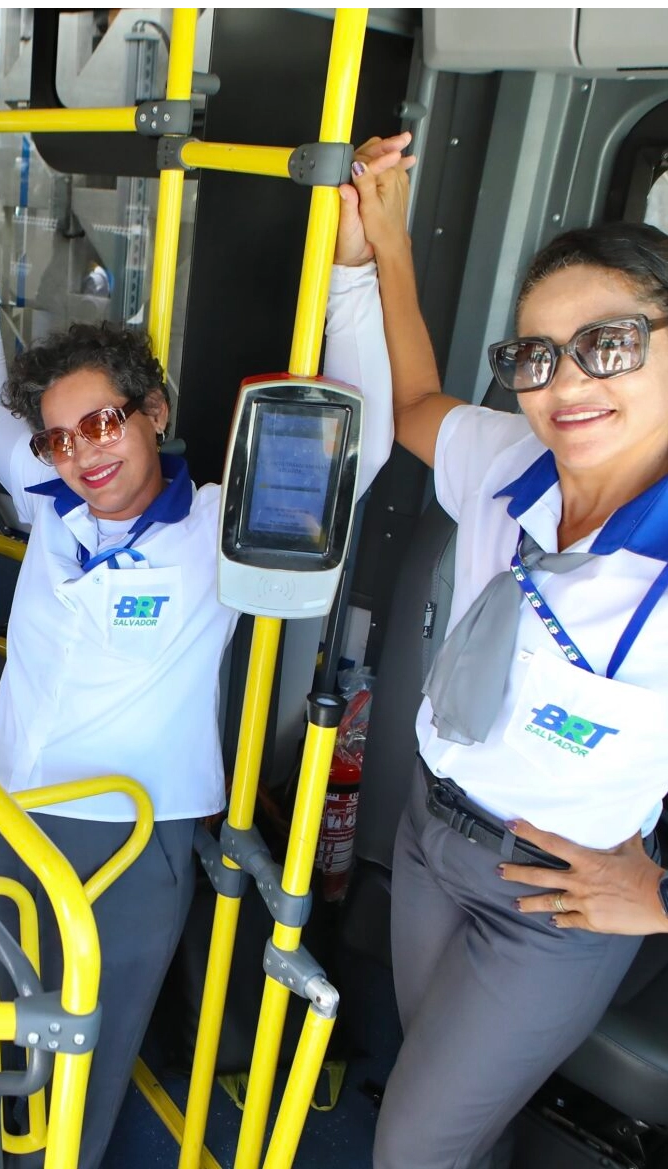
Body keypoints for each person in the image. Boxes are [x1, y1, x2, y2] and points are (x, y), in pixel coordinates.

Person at [0, 151, 398, 1169]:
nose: (81, 451)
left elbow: (355, 443)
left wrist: (357, 270)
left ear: (150, 412)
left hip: (126, 832)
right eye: (58, 437)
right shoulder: (52, 498)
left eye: (101, 421)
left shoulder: (212, 526)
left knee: (84, 1045)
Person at [348, 134, 668, 1169]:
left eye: (606, 342)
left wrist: (659, 895)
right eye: (535, 355)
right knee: (445, 1120)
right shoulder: (505, 461)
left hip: (550, 903)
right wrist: (386, 242)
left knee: (408, 1145)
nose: (562, 382)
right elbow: (411, 409)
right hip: (430, 841)